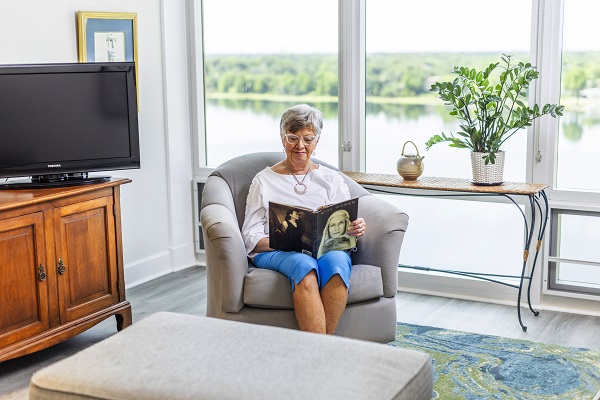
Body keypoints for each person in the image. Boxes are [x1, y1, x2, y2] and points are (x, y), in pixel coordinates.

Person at [241, 104, 366, 335]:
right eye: (292, 138)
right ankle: (322, 350)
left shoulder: (331, 179)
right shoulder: (264, 180)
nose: (300, 146)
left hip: (325, 249)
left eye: (308, 139)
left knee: (337, 265)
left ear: (316, 141)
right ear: (282, 138)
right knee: (305, 265)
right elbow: (249, 236)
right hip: (276, 251)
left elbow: (344, 226)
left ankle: (319, 349)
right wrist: (290, 241)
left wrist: (355, 228)